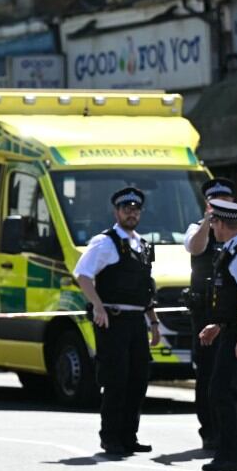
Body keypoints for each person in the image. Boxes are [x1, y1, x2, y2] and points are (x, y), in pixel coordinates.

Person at [74, 186, 162, 456]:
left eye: (135, 209)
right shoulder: (105, 242)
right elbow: (82, 274)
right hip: (113, 319)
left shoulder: (142, 245)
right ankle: (111, 437)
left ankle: (129, 436)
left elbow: (146, 288)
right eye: (126, 209)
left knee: (138, 379)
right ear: (117, 212)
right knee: (116, 380)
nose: (131, 213)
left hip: (136, 319)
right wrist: (97, 305)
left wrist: (154, 322)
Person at [184, 178, 237, 450]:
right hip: (212, 315)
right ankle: (215, 435)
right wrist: (209, 223)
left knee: (230, 387)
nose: (221, 201)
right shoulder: (200, 229)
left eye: (226, 198)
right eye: (215, 199)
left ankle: (233, 450)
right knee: (211, 376)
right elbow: (195, 248)